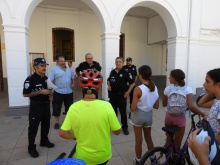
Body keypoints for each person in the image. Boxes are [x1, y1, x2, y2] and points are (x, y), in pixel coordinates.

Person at [59, 69, 121, 165]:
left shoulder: (73, 107)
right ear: (99, 87)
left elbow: (62, 133)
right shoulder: (106, 106)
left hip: (83, 157)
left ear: (81, 86)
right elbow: (117, 131)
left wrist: (75, 136)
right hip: (103, 156)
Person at [162, 69, 206, 151]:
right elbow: (191, 106)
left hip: (168, 117)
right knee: (177, 142)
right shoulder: (187, 89)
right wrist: (202, 113)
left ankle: (165, 155)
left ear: (174, 78)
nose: (169, 78)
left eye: (170, 76)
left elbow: (164, 104)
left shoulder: (168, 89)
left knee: (168, 140)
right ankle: (175, 159)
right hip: (180, 118)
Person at [23, 58, 54, 158]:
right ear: (35, 67)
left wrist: (51, 91)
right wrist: (40, 92)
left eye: (45, 65)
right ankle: (31, 148)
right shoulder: (30, 79)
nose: (44, 67)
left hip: (46, 105)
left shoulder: (46, 78)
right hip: (36, 106)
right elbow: (25, 94)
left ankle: (44, 141)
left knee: (46, 124)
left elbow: (50, 89)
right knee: (33, 127)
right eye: (42, 65)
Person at [130, 65, 159, 164]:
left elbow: (133, 108)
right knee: (148, 138)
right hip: (148, 116)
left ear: (140, 75)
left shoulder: (138, 89)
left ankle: (138, 160)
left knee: (138, 140)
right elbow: (156, 106)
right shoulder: (155, 87)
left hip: (138, 116)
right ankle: (153, 158)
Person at [107, 57, 135, 135]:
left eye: (119, 62)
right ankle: (115, 126)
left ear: (122, 63)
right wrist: (108, 85)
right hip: (112, 95)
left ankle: (125, 127)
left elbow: (132, 83)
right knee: (113, 112)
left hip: (121, 96)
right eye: (116, 62)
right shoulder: (112, 72)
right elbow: (108, 80)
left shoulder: (126, 72)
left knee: (123, 113)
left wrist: (128, 92)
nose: (118, 63)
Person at [48, 56, 74, 129]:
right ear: (57, 62)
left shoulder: (68, 69)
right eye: (61, 61)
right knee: (57, 108)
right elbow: (49, 80)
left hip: (69, 92)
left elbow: (72, 77)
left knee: (69, 108)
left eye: (63, 61)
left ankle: (68, 122)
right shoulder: (54, 70)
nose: (63, 62)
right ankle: (56, 122)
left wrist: (73, 83)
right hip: (58, 92)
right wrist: (51, 89)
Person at [197, 68, 220, 144]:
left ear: (217, 84)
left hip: (213, 147)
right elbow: (201, 103)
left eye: (207, 81)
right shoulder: (217, 100)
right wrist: (211, 91)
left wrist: (203, 140)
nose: (204, 84)